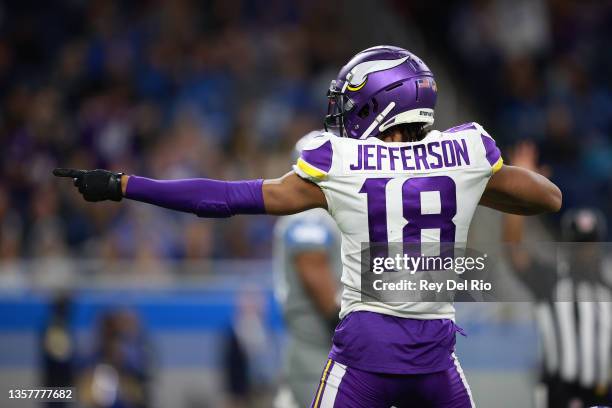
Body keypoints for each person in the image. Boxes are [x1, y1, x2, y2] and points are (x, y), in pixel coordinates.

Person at [54, 45, 561, 407]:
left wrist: (127, 184)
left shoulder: (339, 161)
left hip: (364, 356)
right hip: (436, 360)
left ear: (383, 102)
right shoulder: (466, 152)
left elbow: (227, 198)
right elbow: (548, 198)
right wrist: (478, 182)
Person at [502, 142, 610, 408]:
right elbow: (513, 251)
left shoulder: (609, 284)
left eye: (589, 244)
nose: (585, 253)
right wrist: (520, 190)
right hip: (560, 393)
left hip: (604, 391)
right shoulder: (551, 280)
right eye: (579, 245)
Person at [273, 131, 342, 408]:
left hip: (319, 352)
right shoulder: (309, 216)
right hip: (317, 351)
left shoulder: (321, 215)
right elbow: (316, 280)